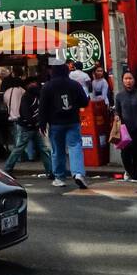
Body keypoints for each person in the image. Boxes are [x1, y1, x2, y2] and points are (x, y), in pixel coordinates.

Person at [39, 57, 89, 188]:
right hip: (73, 120)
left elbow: (43, 107)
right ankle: (78, 173)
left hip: (55, 123)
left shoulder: (47, 86)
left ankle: (59, 177)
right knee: (75, 146)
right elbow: (85, 101)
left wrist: (42, 124)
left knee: (57, 150)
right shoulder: (74, 84)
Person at [4, 75, 53, 177]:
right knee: (43, 149)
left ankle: (7, 169)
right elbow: (27, 112)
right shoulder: (32, 95)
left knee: (20, 148)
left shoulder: (26, 95)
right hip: (31, 126)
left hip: (27, 125)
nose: (33, 84)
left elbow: (24, 112)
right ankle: (50, 171)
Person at [113, 70, 137, 182]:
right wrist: (116, 116)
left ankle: (136, 176)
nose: (128, 81)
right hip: (125, 130)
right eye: (126, 79)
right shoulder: (119, 96)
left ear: (134, 80)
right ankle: (130, 172)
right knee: (125, 154)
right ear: (123, 81)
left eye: (130, 78)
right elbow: (117, 111)